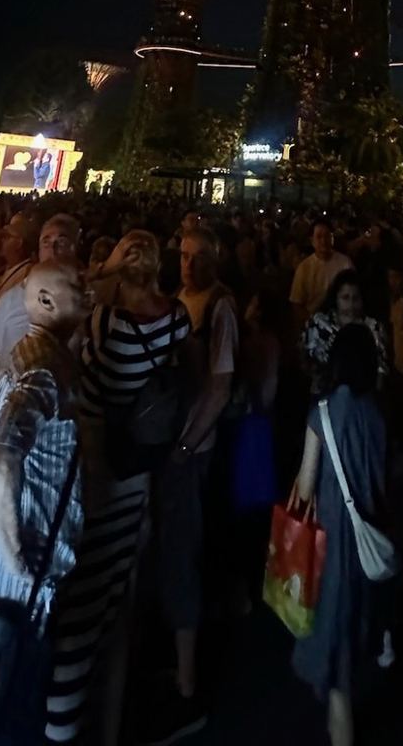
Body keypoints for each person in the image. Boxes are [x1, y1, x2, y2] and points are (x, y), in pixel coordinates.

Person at [46, 230, 190, 746]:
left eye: (143, 247)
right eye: (134, 246)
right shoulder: (136, 316)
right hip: (117, 464)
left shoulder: (138, 318)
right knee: (100, 600)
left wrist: (107, 265)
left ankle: (83, 725)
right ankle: (87, 725)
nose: (138, 253)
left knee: (98, 605)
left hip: (114, 465)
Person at [0, 262, 89, 743]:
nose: (89, 291)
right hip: (7, 587)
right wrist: (15, 555)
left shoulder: (34, 354)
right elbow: (1, 457)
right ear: (46, 302)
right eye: (78, 285)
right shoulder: (43, 366)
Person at [142, 227, 238, 745]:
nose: (187, 264)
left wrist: (185, 446)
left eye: (198, 257)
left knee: (182, 554)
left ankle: (186, 687)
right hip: (172, 447)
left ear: (216, 262)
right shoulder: (180, 301)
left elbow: (220, 386)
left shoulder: (219, 307)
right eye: (181, 255)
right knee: (172, 550)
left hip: (191, 451)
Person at [290, 323, 389, 746]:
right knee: (355, 628)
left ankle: (339, 721)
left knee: (334, 643)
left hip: (333, 544)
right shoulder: (378, 412)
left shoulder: (323, 413)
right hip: (371, 540)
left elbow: (306, 486)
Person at [0, 215, 80, 370]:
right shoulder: (11, 297)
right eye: (46, 242)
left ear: (74, 248)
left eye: (61, 242)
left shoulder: (85, 303)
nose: (52, 249)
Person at [301, 269, 390, 397]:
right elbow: (306, 361)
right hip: (323, 396)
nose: (351, 305)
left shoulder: (373, 327)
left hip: (362, 399)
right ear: (336, 298)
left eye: (356, 298)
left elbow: (381, 371)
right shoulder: (319, 324)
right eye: (345, 298)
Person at [290, 221, 351, 324]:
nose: (323, 241)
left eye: (327, 236)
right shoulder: (304, 268)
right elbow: (296, 303)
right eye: (319, 237)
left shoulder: (345, 263)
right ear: (312, 240)